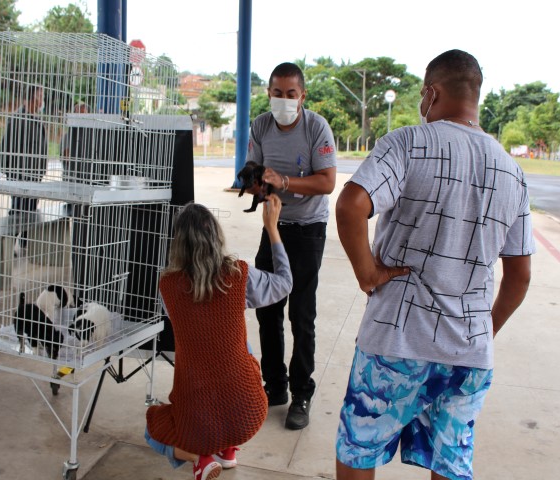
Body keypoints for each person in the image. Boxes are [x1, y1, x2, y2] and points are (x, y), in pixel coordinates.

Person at [334, 49, 535, 480]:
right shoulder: (511, 171)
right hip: (469, 353)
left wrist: (367, 273)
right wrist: (485, 328)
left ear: (432, 92)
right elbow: (519, 277)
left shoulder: (409, 143)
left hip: (396, 342)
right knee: (451, 461)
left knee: (359, 448)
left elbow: (351, 204)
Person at [145, 196, 292, 480]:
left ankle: (199, 457)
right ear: (216, 236)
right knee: (236, 344)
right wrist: (272, 227)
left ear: (177, 243)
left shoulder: (166, 286)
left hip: (198, 421)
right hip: (249, 411)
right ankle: (227, 451)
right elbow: (285, 282)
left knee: (152, 427)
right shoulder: (238, 276)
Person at [245, 61, 337, 430]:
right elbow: (253, 169)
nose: (283, 100)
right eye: (277, 93)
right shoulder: (261, 125)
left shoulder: (317, 128)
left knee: (301, 314)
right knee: (266, 308)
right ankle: (275, 386)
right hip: (274, 226)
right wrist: (257, 185)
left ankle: (301, 392)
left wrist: (283, 180)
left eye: (291, 94)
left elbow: (328, 182)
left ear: (302, 96)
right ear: (269, 93)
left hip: (308, 229)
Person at [0, 84, 47, 215]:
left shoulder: (37, 119)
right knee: (18, 212)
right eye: (41, 96)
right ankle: (15, 235)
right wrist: (7, 170)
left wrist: (41, 171)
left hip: (34, 176)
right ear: (33, 97)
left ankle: (25, 235)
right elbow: (6, 145)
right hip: (19, 175)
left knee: (31, 212)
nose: (43, 100)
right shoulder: (17, 119)